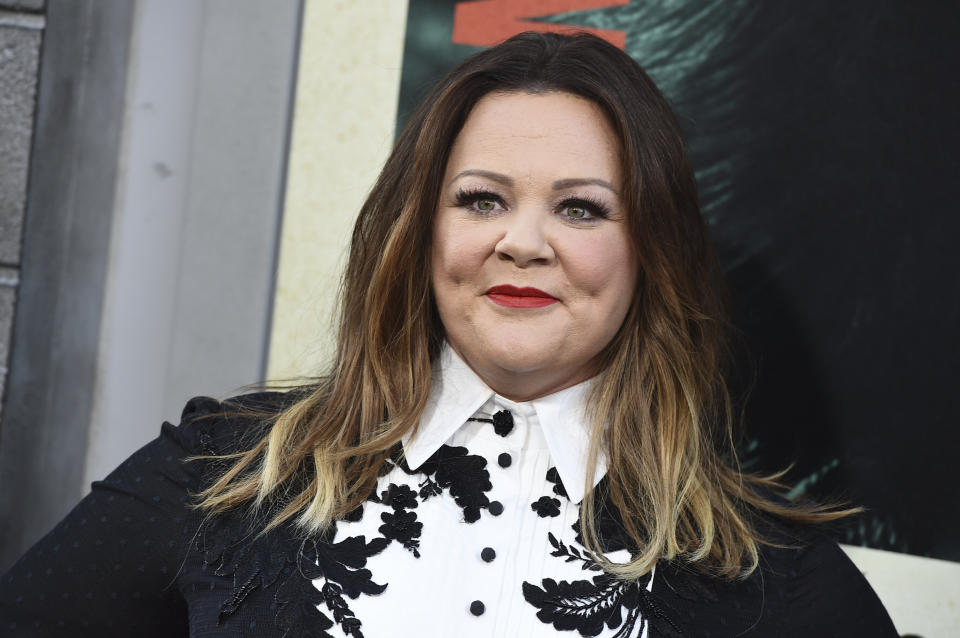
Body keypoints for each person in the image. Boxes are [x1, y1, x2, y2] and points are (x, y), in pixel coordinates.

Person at [0, 31, 897, 637]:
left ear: (650, 254)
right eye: (482, 199)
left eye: (581, 209)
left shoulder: (771, 576)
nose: (522, 241)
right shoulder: (221, 472)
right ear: (419, 231)